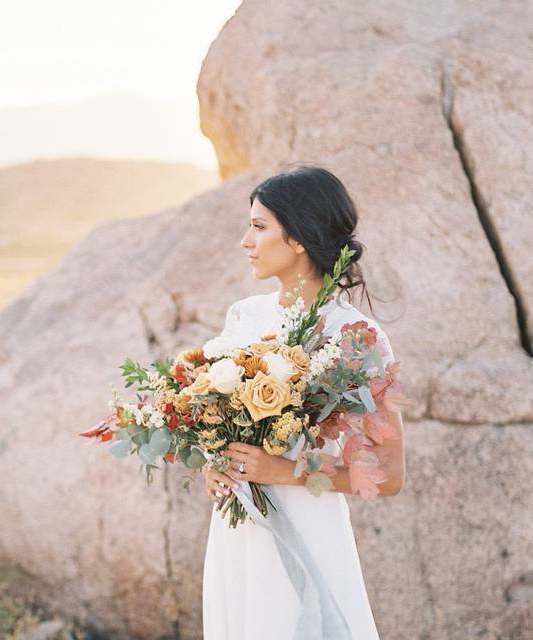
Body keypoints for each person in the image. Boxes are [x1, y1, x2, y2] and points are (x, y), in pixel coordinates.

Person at [201, 164, 406, 640]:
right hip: (239, 530)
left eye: (258, 226)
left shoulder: (356, 337)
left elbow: (391, 476)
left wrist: (280, 471)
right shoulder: (244, 317)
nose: (245, 241)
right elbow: (218, 421)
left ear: (297, 238)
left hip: (308, 525)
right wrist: (215, 463)